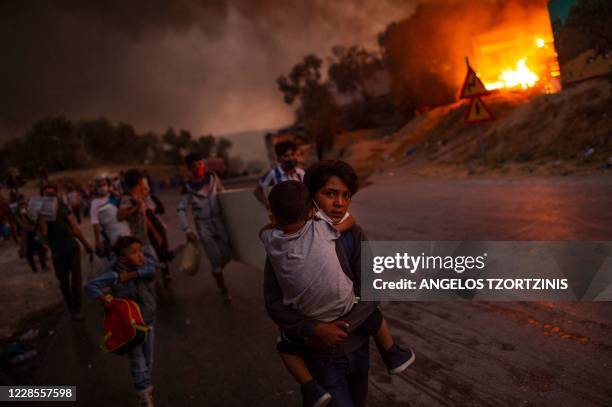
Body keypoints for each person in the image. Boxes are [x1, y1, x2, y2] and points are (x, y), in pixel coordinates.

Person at [264, 160, 415, 407]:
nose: (339, 203)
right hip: (318, 357)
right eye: (330, 193)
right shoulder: (284, 245)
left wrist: (341, 327)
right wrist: (313, 329)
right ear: (310, 199)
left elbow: (371, 290)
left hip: (358, 349)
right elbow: (273, 302)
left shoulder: (353, 236)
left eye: (346, 196)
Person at [84, 236, 157, 407]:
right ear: (123, 258)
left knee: (148, 360)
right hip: (129, 326)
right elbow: (90, 286)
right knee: (138, 361)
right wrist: (105, 299)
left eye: (140, 251)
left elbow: (152, 270)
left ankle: (144, 389)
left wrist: (131, 275)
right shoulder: (114, 274)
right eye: (134, 252)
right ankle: (145, 394)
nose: (140, 255)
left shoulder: (144, 268)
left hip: (148, 321)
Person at [177, 153, 232, 301]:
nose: (198, 168)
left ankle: (217, 270)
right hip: (203, 225)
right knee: (214, 257)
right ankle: (223, 288)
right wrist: (187, 230)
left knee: (228, 252)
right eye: (194, 166)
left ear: (204, 164)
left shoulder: (213, 177)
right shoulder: (188, 188)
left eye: (200, 164)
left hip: (219, 221)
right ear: (189, 169)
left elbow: (223, 194)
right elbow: (181, 209)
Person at [38, 184, 94, 320]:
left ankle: (77, 309)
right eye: (47, 194)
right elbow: (44, 233)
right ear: (42, 197)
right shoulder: (40, 213)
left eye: (52, 194)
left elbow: (74, 227)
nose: (50, 196)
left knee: (76, 281)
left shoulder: (62, 207)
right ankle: (70, 307)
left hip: (72, 248)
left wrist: (86, 244)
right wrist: (41, 217)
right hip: (57, 252)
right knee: (63, 282)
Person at [117, 169, 161, 261]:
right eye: (141, 181)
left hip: (144, 239)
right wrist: (137, 206)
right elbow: (120, 216)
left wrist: (154, 232)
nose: (143, 184)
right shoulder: (127, 198)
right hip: (135, 242)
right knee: (148, 266)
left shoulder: (138, 197)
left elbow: (143, 216)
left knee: (153, 263)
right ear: (137, 183)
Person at [254, 140, 305, 211]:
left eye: (292, 154)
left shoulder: (301, 173)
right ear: (279, 158)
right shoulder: (274, 173)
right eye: (286, 156)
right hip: (284, 214)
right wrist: (267, 204)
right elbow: (258, 191)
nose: (290, 158)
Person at [90, 176, 131, 257]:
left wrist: (112, 192)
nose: (102, 187)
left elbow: (124, 200)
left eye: (104, 184)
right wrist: (97, 241)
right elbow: (95, 223)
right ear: (95, 188)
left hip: (127, 230)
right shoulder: (95, 203)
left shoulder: (112, 197)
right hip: (114, 235)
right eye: (99, 186)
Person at [15, 198, 48, 272]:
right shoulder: (17, 216)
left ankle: (43, 266)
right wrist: (32, 227)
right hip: (27, 236)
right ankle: (34, 268)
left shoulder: (30, 213)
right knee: (29, 253)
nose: (23, 208)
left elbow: (36, 220)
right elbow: (22, 225)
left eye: (24, 206)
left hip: (35, 234)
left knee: (41, 249)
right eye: (22, 207)